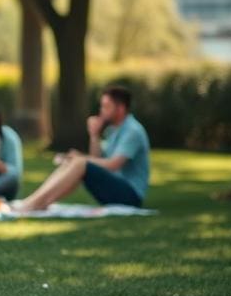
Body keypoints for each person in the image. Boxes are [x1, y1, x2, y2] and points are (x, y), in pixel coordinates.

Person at [13, 85, 150, 211]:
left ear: (120, 109)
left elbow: (112, 165)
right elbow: (97, 159)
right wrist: (94, 135)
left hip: (130, 196)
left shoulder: (132, 131)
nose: (101, 111)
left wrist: (81, 159)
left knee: (80, 162)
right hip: (116, 189)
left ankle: (33, 204)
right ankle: (36, 202)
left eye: (106, 107)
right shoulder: (113, 130)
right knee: (74, 162)